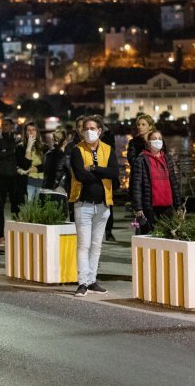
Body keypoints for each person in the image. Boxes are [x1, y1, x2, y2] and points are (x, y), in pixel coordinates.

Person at [70, 115, 119, 297]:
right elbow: (80, 175)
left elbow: (114, 172)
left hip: (103, 204)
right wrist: (101, 175)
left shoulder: (108, 149)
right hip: (83, 204)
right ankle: (82, 282)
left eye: (92, 128)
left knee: (96, 245)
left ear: (99, 131)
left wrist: (95, 169)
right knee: (84, 245)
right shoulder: (77, 150)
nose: (89, 131)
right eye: (86, 128)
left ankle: (92, 280)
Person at [131, 130, 182, 230]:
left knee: (168, 235)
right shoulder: (141, 160)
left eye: (159, 139)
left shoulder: (167, 159)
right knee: (149, 236)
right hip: (150, 206)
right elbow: (137, 185)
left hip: (167, 205)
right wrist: (138, 207)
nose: (158, 141)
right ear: (149, 142)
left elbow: (173, 183)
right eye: (154, 139)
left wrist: (178, 205)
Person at [0, 118, 19, 214]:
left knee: (15, 202)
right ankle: (0, 224)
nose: (3, 126)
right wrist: (11, 152)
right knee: (1, 201)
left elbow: (19, 156)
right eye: (2, 124)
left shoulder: (17, 139)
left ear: (12, 126)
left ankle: (16, 223)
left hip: (14, 174)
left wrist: (5, 152)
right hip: (2, 174)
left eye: (6, 124)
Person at [16, 121, 46, 203]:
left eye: (33, 130)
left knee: (41, 209)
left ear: (37, 132)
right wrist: (28, 147)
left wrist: (34, 169)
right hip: (28, 183)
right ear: (25, 132)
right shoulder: (20, 147)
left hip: (42, 183)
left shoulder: (44, 147)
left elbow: (47, 166)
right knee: (29, 210)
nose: (31, 132)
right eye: (28, 130)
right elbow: (24, 166)